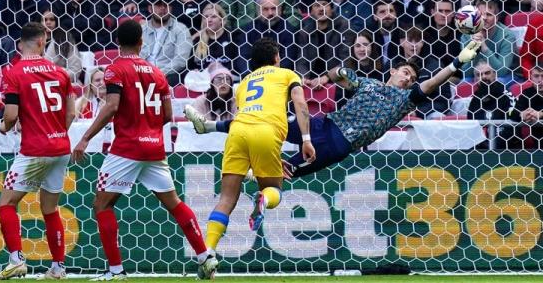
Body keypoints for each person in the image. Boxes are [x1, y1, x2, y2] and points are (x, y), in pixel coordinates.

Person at [185, 41, 482, 178]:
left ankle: (260, 189)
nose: (409, 78)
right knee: (260, 119)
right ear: (393, 70)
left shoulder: (404, 100)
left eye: (412, 78)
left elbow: (430, 85)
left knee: (286, 171)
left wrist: (457, 63)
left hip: (340, 143)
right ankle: (207, 126)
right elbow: (343, 71)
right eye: (406, 72)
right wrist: (324, 78)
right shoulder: (368, 83)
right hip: (322, 124)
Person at [72, 20, 217, 281]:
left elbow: (112, 105)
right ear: (142, 42)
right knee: (174, 203)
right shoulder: (157, 72)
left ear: (118, 44)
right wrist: (148, 129)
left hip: (126, 148)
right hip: (154, 148)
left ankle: (116, 271)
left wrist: (85, 138)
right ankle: (205, 255)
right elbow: (168, 115)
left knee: (102, 205)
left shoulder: (115, 70)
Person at [183, 37, 315, 267]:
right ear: (276, 58)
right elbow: (300, 103)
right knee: (274, 189)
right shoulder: (286, 74)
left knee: (226, 198)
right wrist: (306, 139)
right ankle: (263, 198)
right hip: (266, 131)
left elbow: (249, 118)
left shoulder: (243, 84)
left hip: (237, 132)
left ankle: (208, 253)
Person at [0, 22, 75, 280]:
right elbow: (71, 112)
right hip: (61, 147)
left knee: (7, 203)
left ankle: (16, 259)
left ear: (21, 44)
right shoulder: (62, 73)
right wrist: (56, 132)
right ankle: (58, 269)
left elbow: (11, 114)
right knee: (50, 209)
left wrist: (5, 126)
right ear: (43, 42)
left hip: (35, 149)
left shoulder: (14, 72)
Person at [140, 0, 192, 86]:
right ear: (150, 9)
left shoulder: (181, 29)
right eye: (158, 5)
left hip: (166, 75)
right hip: (140, 74)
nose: (163, 8)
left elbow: (180, 60)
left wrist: (157, 73)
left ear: (171, 8)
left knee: (174, 78)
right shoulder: (141, 30)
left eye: (166, 5)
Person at [41, 8, 83, 83]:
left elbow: (75, 68)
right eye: (45, 20)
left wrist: (58, 77)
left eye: (52, 19)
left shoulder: (65, 39)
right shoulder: (33, 40)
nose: (48, 22)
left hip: (63, 82)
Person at [509, 65, 543, 149]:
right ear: (530, 77)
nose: (540, 80)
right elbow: (513, 113)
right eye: (536, 76)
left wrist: (540, 114)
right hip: (538, 144)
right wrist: (522, 114)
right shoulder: (527, 93)